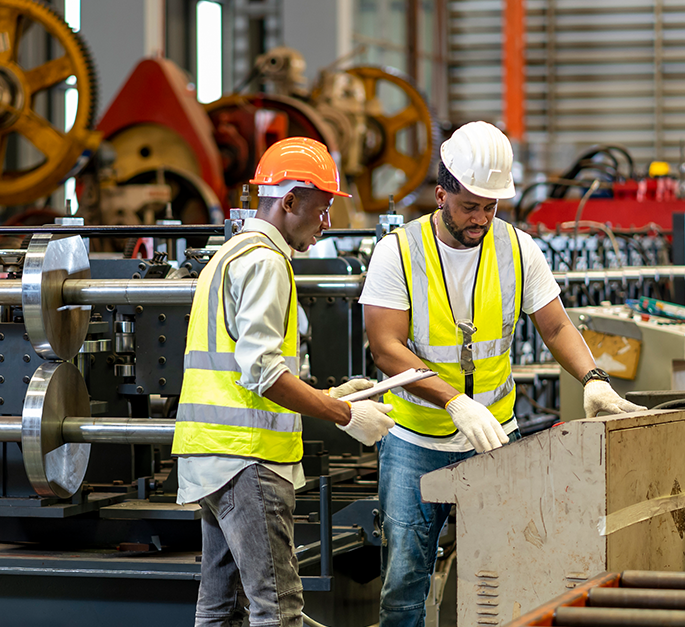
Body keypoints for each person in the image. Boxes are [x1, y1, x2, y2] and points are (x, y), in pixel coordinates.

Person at [359, 121, 646, 627]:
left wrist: (595, 377)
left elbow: (556, 326)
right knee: (405, 583)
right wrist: (452, 400)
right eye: (471, 206)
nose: (482, 218)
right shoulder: (398, 252)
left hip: (494, 439)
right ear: (441, 192)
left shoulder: (517, 249)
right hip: (413, 440)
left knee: (503, 574)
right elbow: (385, 347)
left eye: (491, 207)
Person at [172, 136, 397, 627]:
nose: (327, 224)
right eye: (320, 210)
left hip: (212, 457)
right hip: (248, 461)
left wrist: (328, 394)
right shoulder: (266, 262)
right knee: (279, 611)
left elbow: (242, 365)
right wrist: (345, 414)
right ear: (289, 201)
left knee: (219, 610)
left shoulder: (230, 255)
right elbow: (264, 373)